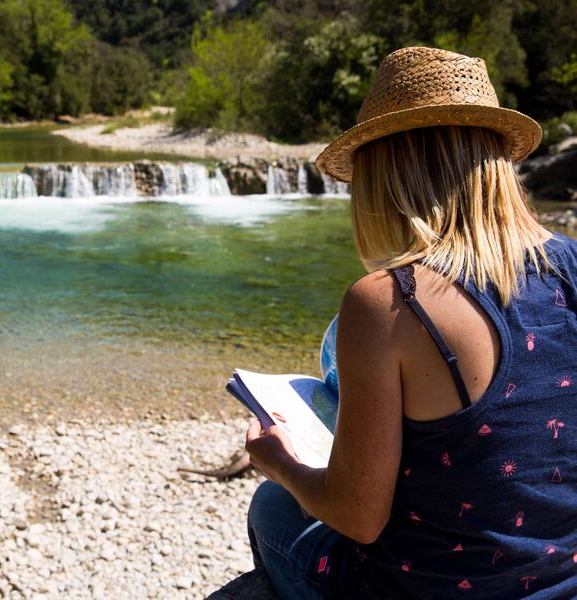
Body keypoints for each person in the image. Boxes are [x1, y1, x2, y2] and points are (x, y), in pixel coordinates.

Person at [244, 46, 576, 599]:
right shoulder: (569, 265)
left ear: (384, 172)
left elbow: (357, 518)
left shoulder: (389, 302)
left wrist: (279, 463)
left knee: (274, 509)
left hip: (430, 590)